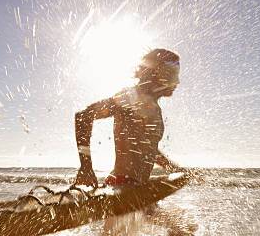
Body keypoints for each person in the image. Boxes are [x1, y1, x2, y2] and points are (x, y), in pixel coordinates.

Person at [74, 48, 184, 188]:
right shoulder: (129, 97)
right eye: (172, 73)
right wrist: (86, 167)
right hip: (120, 184)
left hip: (137, 188)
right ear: (155, 72)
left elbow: (147, 149)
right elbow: (84, 115)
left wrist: (173, 168)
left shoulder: (155, 109)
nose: (177, 81)